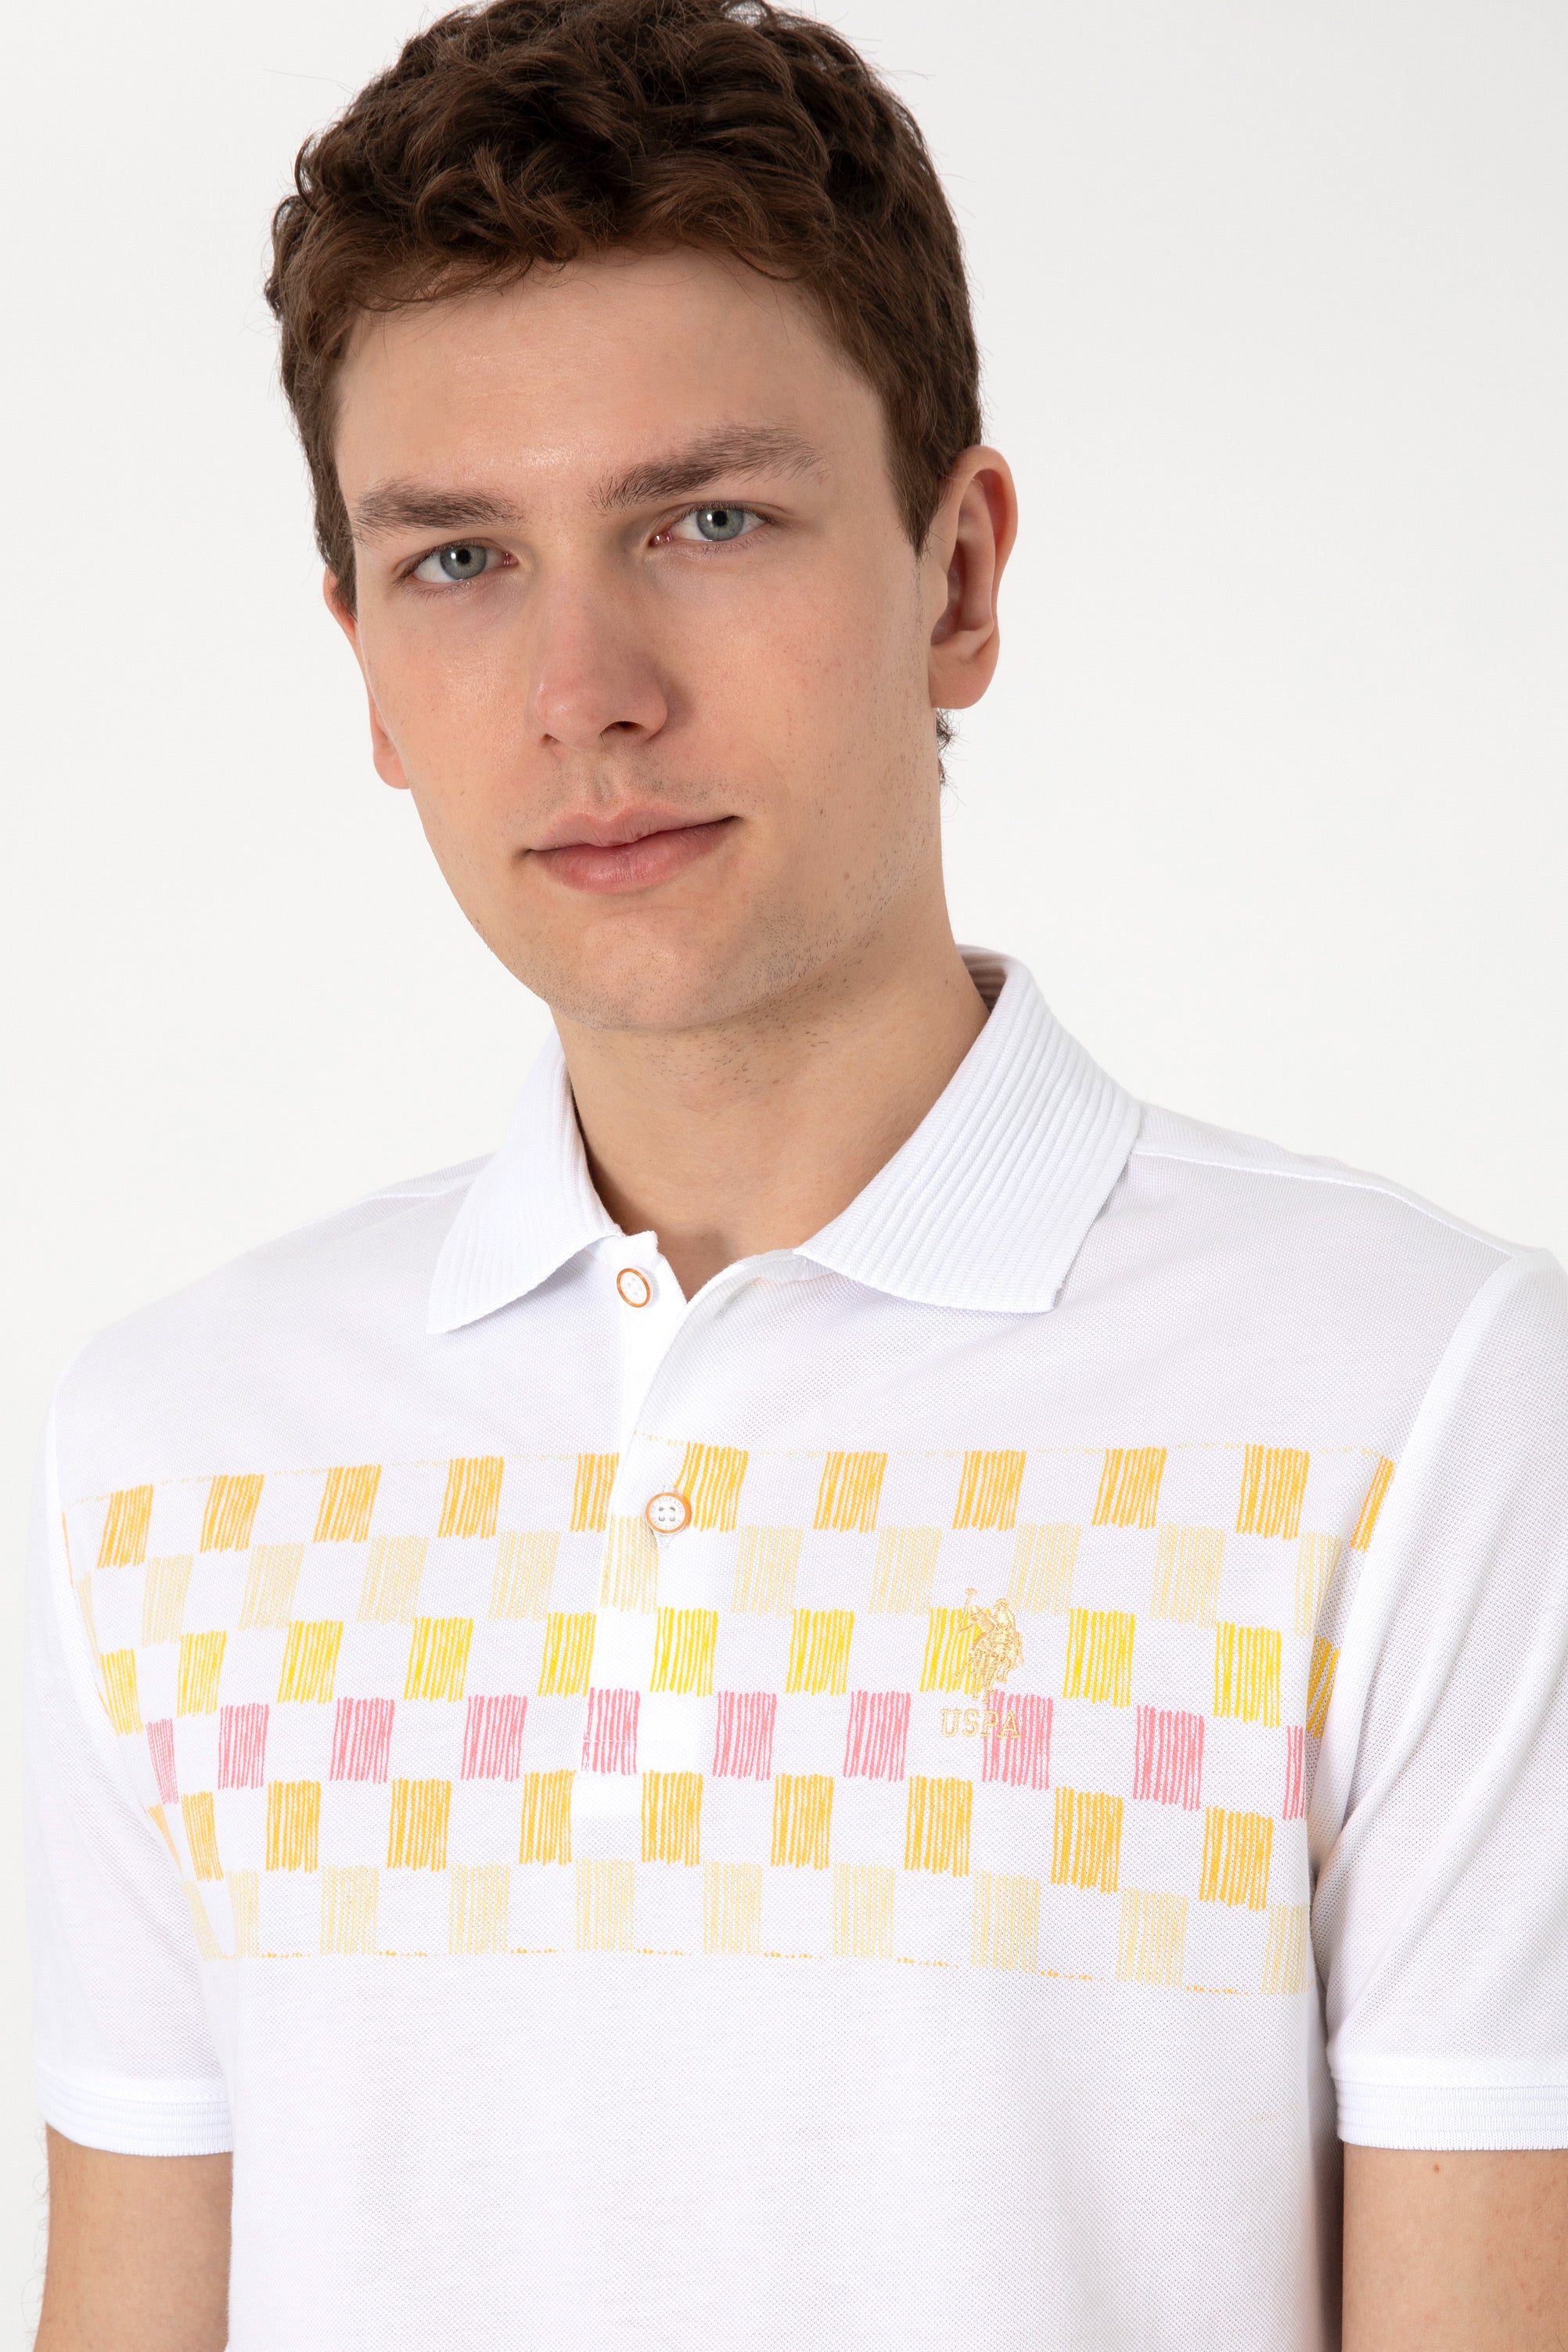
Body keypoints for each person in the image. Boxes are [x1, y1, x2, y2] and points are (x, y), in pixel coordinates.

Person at [23, 2, 1568, 2344]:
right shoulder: (166, 1455)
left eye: (708, 521)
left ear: (958, 575)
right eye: (458, 559)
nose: (586, 688)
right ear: (361, 660)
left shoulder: (1425, 1409)